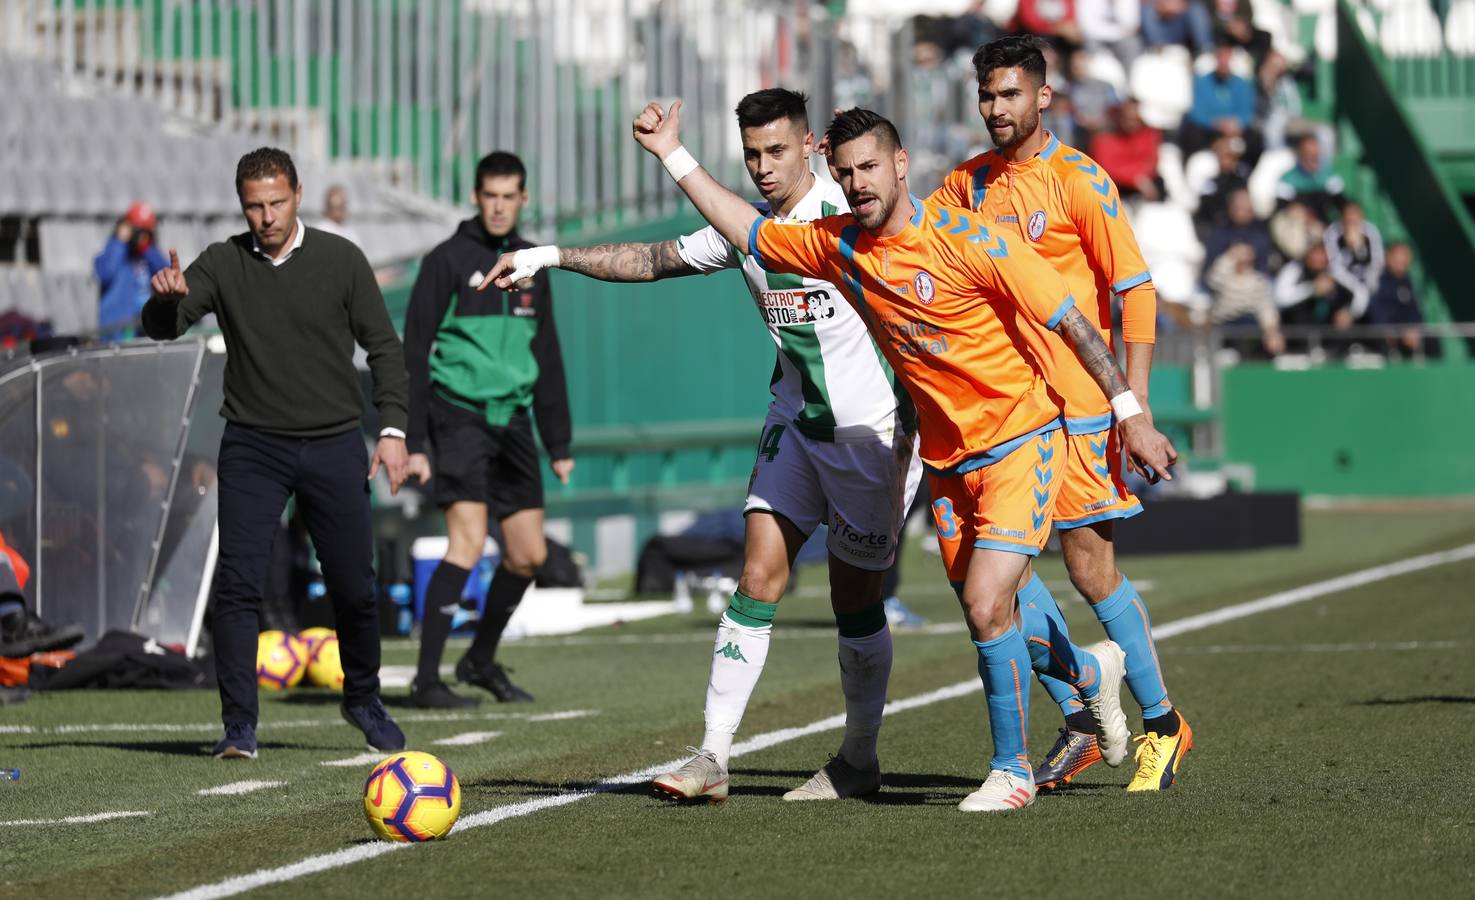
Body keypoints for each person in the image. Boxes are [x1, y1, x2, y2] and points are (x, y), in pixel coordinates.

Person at [597, 98, 1177, 812]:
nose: (859, 181)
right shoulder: (838, 244)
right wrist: (672, 154)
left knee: (986, 601)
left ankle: (1013, 769)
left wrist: (1132, 415)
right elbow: (746, 229)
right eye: (846, 172)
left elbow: (1073, 321)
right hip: (945, 457)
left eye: (870, 165)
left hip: (1021, 441)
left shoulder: (973, 242)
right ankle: (1087, 678)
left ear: (900, 164)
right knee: (993, 609)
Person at [484, 89, 922, 802]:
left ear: (812, 148)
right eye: (751, 154)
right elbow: (650, 258)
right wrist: (551, 255)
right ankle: (713, 756)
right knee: (755, 579)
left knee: (855, 600)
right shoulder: (744, 227)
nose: (763, 167)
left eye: (777, 151)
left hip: (870, 438)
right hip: (795, 427)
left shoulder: (850, 218)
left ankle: (859, 757)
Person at [928, 35, 1192, 792]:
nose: (995, 109)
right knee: (989, 577)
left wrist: (1130, 411)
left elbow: (1133, 293)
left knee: (1088, 567)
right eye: (986, 96)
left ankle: (1163, 726)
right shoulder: (965, 186)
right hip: (998, 416)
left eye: (1010, 95)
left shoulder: (1078, 180)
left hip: (1076, 409)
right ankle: (1081, 708)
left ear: (1043, 97)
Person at [142, 147, 410, 760]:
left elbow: (385, 350)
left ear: (298, 194)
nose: (266, 216)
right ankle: (239, 725)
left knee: (355, 586)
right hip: (253, 445)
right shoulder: (223, 262)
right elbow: (165, 326)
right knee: (236, 586)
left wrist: (392, 430)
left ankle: (363, 697)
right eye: (254, 206)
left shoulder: (342, 260)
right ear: (242, 205)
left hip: (335, 441)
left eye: (276, 203)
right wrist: (164, 298)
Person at [401, 152, 573, 709]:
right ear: (476, 197)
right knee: (468, 542)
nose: (499, 206)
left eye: (509, 196)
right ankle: (427, 680)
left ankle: (478, 660)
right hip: (459, 419)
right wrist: (416, 439)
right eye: (489, 195)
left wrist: (559, 441)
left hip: (516, 422)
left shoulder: (530, 263)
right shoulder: (445, 262)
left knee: (528, 556)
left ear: (524, 199)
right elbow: (415, 352)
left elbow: (545, 351)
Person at [94, 201, 169, 340]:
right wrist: (120, 241)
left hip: (146, 328)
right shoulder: (113, 251)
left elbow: (167, 276)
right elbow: (105, 273)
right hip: (118, 332)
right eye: (138, 230)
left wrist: (147, 249)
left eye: (146, 231)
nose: (141, 235)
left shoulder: (149, 254)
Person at [1206, 243, 1283, 358]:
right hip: (1223, 323)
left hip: (1248, 323)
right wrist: (1229, 255)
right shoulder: (1224, 277)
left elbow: (1265, 308)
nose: (1245, 258)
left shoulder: (1259, 281)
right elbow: (1212, 280)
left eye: (1248, 255)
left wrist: (1272, 332)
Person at [1363, 241, 1427, 359]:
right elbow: (1374, 308)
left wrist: (1413, 329)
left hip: (1406, 337)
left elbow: (1416, 311)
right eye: (1397, 256)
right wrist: (1389, 330)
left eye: (1405, 257)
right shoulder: (1379, 280)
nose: (1401, 261)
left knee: (1431, 342)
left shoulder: (1408, 282)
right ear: (1388, 257)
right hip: (1383, 338)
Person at [1324, 201, 1384, 321]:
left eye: (1355, 215)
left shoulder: (1370, 231)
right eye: (1348, 214)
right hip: (1343, 283)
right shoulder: (1333, 232)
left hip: (1367, 281)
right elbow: (1334, 267)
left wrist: (1359, 248)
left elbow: (1377, 262)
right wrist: (1356, 287)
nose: (1351, 219)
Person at [1277, 133, 1345, 222]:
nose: (1314, 158)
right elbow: (1281, 210)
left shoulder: (1330, 177)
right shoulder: (1287, 180)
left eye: (1316, 154)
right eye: (1308, 153)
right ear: (1300, 154)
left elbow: (1343, 205)